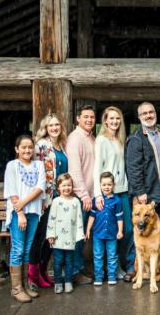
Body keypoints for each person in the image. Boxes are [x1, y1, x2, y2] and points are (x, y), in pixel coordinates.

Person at [93, 106, 134, 282]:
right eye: (111, 118)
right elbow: (97, 168)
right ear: (105, 120)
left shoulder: (120, 140)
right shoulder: (101, 140)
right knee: (110, 231)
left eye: (118, 118)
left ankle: (125, 264)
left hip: (122, 190)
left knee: (128, 229)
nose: (115, 121)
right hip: (108, 194)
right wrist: (98, 194)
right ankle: (114, 267)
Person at [28, 113, 68, 291]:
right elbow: (33, 170)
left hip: (61, 199)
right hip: (45, 199)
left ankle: (43, 272)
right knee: (41, 237)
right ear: (45, 127)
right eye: (51, 125)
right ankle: (33, 276)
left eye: (57, 125)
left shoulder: (62, 145)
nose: (54, 128)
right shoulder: (41, 145)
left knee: (54, 237)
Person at [4, 135, 46, 303]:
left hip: (34, 212)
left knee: (28, 248)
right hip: (17, 213)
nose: (27, 150)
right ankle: (16, 288)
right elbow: (12, 191)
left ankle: (26, 285)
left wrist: (24, 203)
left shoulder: (39, 165)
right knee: (18, 249)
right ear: (17, 149)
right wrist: (20, 212)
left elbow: (40, 187)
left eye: (30, 147)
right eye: (23, 147)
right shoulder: (12, 166)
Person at [66, 104, 96, 284]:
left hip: (91, 196)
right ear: (78, 118)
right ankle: (74, 272)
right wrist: (84, 195)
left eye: (92, 117)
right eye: (85, 117)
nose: (89, 120)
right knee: (77, 236)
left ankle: (81, 267)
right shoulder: (75, 138)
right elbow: (75, 170)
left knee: (85, 235)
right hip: (80, 197)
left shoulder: (91, 138)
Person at [126, 102, 160, 225]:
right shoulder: (136, 138)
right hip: (145, 193)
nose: (148, 115)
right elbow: (133, 168)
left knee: (157, 229)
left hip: (158, 189)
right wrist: (140, 192)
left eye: (151, 112)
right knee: (144, 230)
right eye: (144, 113)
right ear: (139, 117)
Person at [46, 173, 84, 294]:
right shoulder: (56, 202)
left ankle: (68, 282)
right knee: (57, 261)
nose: (66, 188)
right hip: (58, 238)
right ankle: (58, 283)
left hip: (70, 238)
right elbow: (51, 218)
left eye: (69, 185)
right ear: (58, 188)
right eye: (63, 185)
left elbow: (79, 219)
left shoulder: (76, 202)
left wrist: (79, 235)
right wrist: (50, 234)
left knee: (69, 261)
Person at [86, 172, 124, 286]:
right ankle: (98, 277)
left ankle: (112, 276)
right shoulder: (97, 200)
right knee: (98, 256)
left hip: (112, 234)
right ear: (100, 185)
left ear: (113, 185)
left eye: (109, 184)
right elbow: (92, 216)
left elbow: (120, 217)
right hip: (98, 234)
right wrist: (88, 230)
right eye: (104, 185)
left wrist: (120, 231)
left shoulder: (117, 200)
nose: (106, 187)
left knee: (112, 256)